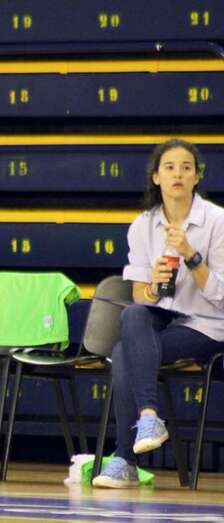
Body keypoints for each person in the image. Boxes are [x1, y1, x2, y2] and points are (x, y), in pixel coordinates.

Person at [93, 139, 224, 488]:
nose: (178, 174)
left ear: (197, 177)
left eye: (186, 167)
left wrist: (191, 257)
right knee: (133, 315)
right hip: (164, 317)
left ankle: (125, 458)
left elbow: (222, 296)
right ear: (156, 177)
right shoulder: (143, 225)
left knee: (124, 352)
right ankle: (149, 417)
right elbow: (140, 295)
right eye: (169, 167)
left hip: (208, 323)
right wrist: (153, 285)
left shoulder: (217, 221)